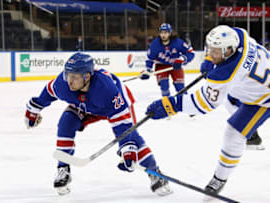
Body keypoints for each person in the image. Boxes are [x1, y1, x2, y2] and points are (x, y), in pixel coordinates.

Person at [145, 25, 270, 196]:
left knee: (233, 134)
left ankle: (220, 178)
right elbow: (226, 39)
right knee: (230, 96)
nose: (211, 53)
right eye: (210, 49)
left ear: (229, 50)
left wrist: (171, 105)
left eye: (216, 51)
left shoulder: (227, 72)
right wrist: (211, 59)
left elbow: (203, 103)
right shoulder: (240, 35)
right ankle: (251, 133)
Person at [24, 53, 172, 196]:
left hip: (111, 107)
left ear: (87, 77)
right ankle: (63, 169)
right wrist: (34, 108)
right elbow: (49, 92)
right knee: (66, 122)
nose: (69, 81)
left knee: (132, 136)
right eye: (67, 75)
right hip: (85, 105)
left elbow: (122, 125)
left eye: (74, 77)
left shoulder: (107, 90)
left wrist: (127, 148)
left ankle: (155, 173)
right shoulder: (63, 84)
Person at [140, 23, 195, 97]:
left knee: (180, 88)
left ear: (170, 33)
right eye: (161, 32)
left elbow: (191, 52)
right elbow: (149, 59)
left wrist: (181, 59)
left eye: (165, 32)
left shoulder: (178, 42)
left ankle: (185, 103)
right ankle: (167, 104)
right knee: (164, 86)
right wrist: (147, 71)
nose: (163, 35)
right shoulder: (155, 44)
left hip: (175, 65)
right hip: (161, 66)